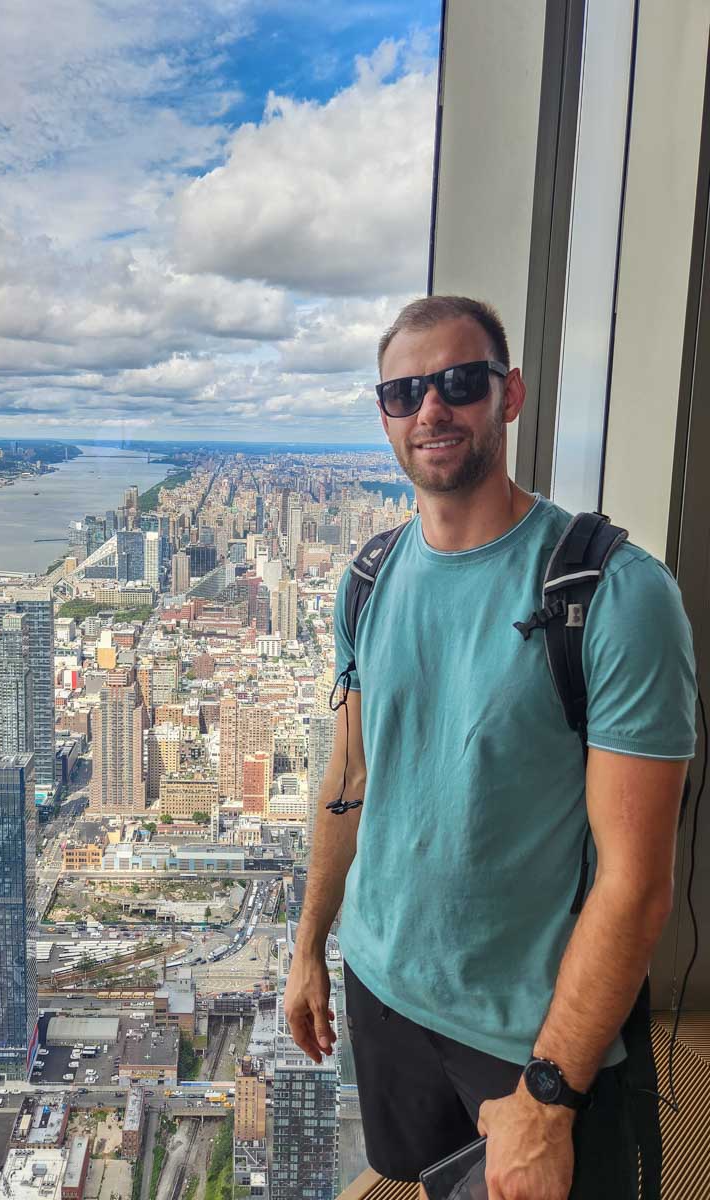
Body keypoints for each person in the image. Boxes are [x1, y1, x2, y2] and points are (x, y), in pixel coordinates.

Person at [283, 296, 697, 1199]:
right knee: (427, 1181)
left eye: (459, 382)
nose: (431, 408)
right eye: (404, 393)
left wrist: (549, 1098)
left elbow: (637, 882)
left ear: (508, 396)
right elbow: (349, 779)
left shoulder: (615, 594)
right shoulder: (367, 580)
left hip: (530, 1034)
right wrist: (310, 943)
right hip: (384, 989)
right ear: (384, 416)